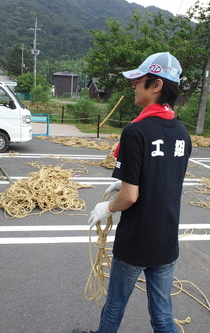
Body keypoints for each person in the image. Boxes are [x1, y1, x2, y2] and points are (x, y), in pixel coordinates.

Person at [81, 52, 192, 333]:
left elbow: (130, 197)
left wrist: (107, 207)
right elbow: (163, 178)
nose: (133, 85)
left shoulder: (136, 132)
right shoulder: (182, 133)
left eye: (138, 81)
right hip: (166, 239)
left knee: (115, 304)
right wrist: (126, 182)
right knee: (163, 314)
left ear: (156, 86)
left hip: (136, 241)